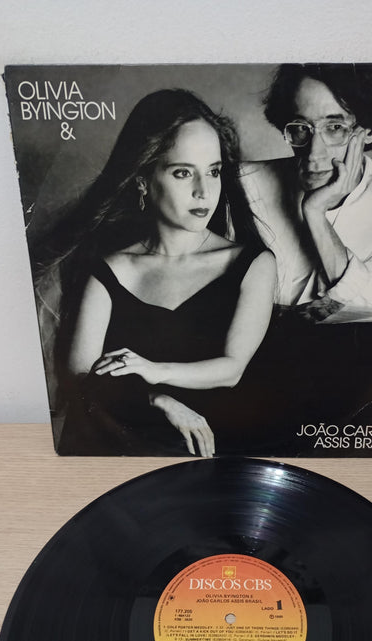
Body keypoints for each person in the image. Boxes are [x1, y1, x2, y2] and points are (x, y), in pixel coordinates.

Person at [35, 89, 275, 456]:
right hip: (122, 445)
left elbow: (231, 369)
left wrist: (154, 370)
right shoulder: (110, 270)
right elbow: (80, 378)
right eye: (183, 173)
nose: (204, 191)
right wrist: (156, 398)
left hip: (214, 451)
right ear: (143, 181)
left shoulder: (252, 264)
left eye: (213, 172)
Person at [241, 63, 372, 317]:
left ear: (370, 130)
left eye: (335, 127)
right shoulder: (245, 182)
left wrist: (315, 213)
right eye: (301, 127)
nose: (314, 153)